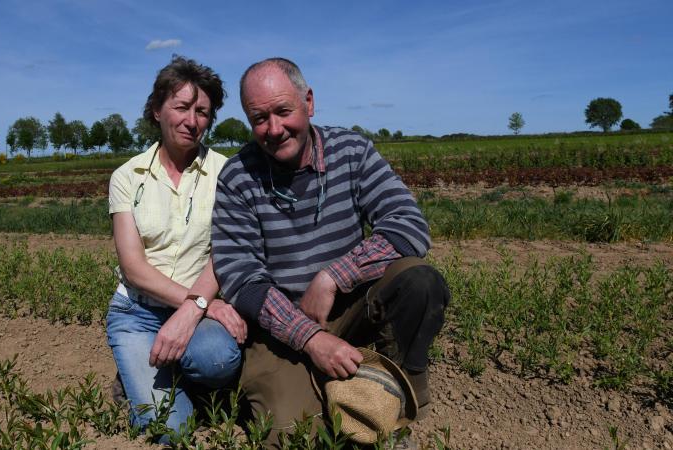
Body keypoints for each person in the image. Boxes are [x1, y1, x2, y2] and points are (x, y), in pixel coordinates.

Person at [211, 58, 450, 445]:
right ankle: (324, 388)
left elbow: (409, 224)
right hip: (278, 329)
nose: (274, 129)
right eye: (259, 118)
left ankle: (395, 395)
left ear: (309, 101)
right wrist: (311, 338)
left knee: (418, 280)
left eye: (284, 111)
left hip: (350, 307)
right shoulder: (238, 176)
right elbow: (242, 280)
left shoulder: (350, 151)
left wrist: (334, 276)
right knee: (293, 436)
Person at [106, 56, 246, 437]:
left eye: (202, 111)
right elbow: (134, 269)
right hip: (137, 312)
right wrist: (200, 301)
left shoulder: (227, 172)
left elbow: (228, 250)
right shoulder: (126, 177)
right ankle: (143, 371)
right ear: (156, 110)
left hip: (200, 313)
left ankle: (181, 373)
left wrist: (195, 310)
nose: (191, 120)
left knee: (216, 360)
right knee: (173, 432)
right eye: (181, 107)